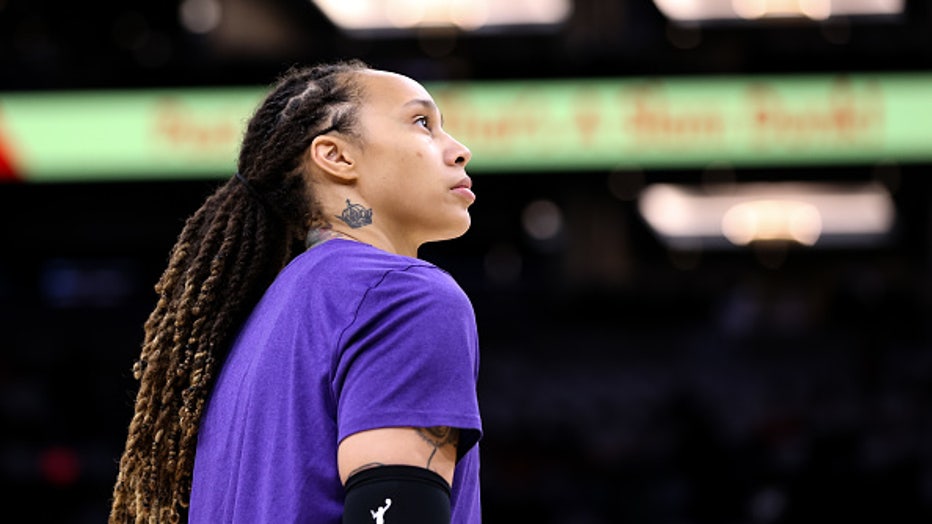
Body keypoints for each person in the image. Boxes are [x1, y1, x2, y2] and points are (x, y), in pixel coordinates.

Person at [109, 60, 482, 523]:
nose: (460, 150)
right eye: (422, 123)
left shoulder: (254, 325)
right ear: (337, 156)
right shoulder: (404, 297)